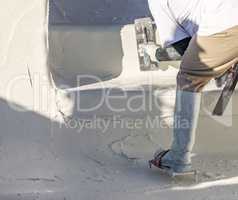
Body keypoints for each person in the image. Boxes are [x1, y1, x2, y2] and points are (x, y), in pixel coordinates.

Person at [144, 0, 238, 173]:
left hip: (224, 23)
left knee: (189, 77)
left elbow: (180, 48)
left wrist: (155, 53)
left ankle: (178, 157)